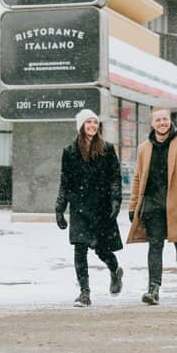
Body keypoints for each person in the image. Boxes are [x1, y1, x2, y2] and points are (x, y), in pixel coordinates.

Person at [126, 108, 177, 305]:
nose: (162, 123)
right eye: (158, 120)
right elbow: (137, 178)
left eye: (165, 119)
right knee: (155, 245)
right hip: (152, 205)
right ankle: (154, 288)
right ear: (152, 123)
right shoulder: (143, 148)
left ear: (170, 121)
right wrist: (133, 205)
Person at [55, 109, 124, 307]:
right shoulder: (69, 152)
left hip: (101, 207)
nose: (92, 125)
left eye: (95, 122)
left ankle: (115, 270)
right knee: (80, 249)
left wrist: (115, 200)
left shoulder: (107, 149)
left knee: (102, 250)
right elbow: (65, 182)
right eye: (88, 122)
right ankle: (84, 293)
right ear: (81, 126)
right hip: (79, 207)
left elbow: (114, 177)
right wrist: (60, 209)